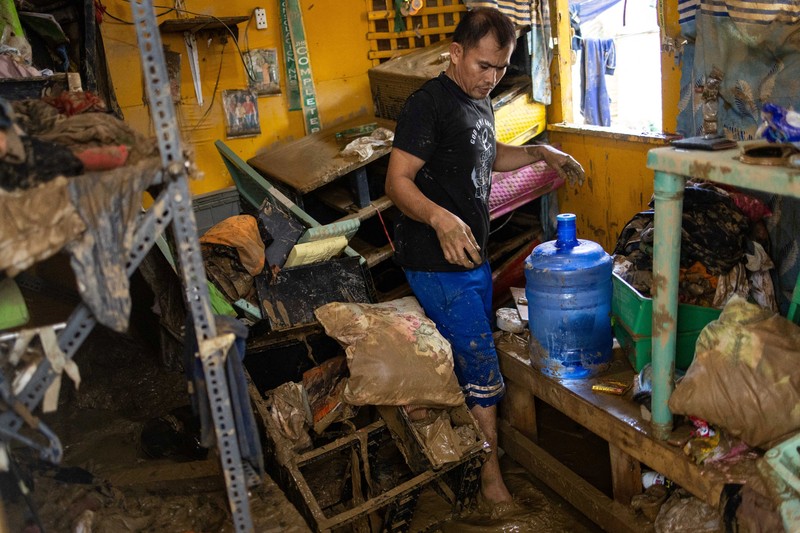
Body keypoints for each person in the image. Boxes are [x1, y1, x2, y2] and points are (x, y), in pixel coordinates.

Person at [385, 7, 586, 507]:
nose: (492, 79)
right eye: (482, 66)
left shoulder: (479, 101)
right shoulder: (426, 105)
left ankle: (469, 450)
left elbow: (489, 154)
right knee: (480, 362)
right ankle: (491, 484)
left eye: (501, 68)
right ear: (455, 54)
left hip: (469, 258)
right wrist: (439, 218)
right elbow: (397, 183)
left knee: (473, 355)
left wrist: (542, 152)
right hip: (435, 258)